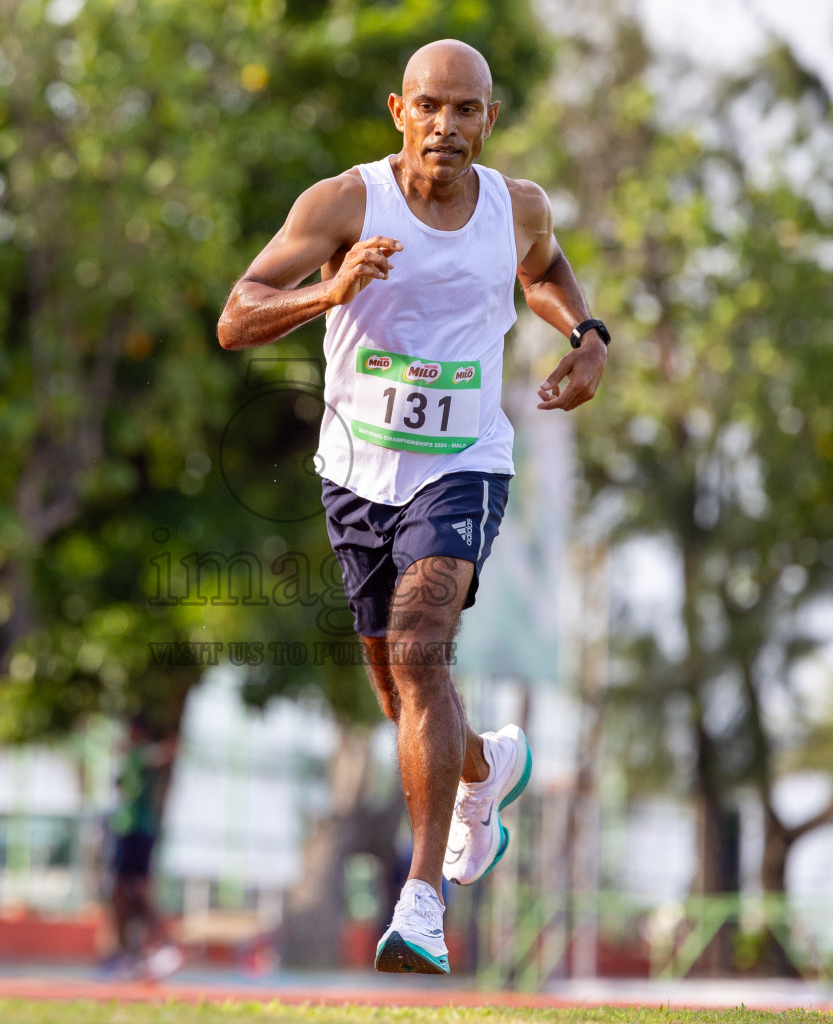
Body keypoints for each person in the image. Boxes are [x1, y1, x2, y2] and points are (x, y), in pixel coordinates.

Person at [218, 40, 608, 974]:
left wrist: (588, 336)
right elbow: (237, 314)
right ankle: (481, 767)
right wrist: (331, 289)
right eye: (430, 107)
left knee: (422, 645)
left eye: (466, 110)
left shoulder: (517, 208)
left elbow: (545, 272)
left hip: (465, 463)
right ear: (399, 111)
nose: (447, 126)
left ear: (490, 119)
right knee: (396, 686)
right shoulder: (345, 203)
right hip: (357, 473)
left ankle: (422, 900)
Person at [106, 716, 182, 979]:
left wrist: (170, 747)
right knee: (121, 892)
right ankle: (129, 953)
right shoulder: (128, 761)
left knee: (138, 889)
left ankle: (163, 946)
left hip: (137, 831)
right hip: (125, 831)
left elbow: (159, 754)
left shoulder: (140, 754)